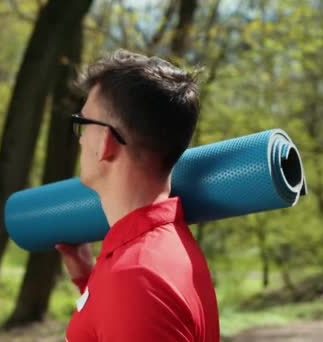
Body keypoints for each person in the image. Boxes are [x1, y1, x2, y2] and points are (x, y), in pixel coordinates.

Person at [55, 50, 220, 341]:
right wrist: (88, 280)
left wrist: (118, 284)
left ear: (105, 141)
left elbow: (139, 299)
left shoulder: (137, 277)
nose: (80, 138)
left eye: (83, 123)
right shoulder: (148, 255)